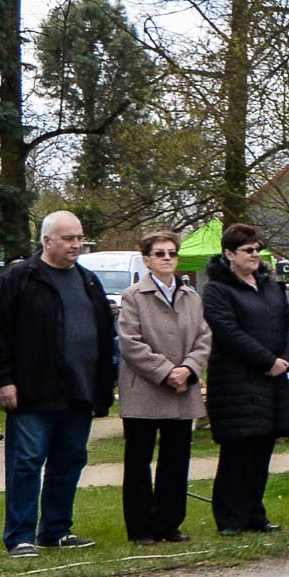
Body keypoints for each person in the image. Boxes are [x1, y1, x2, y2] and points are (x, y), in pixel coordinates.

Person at [0, 211, 115, 556]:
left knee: (68, 462)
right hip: (33, 392)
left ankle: (56, 530)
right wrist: (3, 381)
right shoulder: (20, 278)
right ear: (47, 241)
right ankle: (19, 536)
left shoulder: (89, 282)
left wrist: (103, 389)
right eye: (68, 239)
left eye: (80, 238)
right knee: (26, 464)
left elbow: (105, 338)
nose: (76, 245)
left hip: (79, 392)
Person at [201, 224, 289, 537]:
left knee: (262, 448)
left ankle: (255, 513)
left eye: (258, 249)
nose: (255, 255)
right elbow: (228, 332)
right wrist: (267, 361)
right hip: (236, 381)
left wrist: (285, 358)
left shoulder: (269, 285)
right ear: (230, 254)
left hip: (272, 380)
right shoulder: (218, 289)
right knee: (238, 451)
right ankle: (231, 517)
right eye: (248, 250)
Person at [117, 231, 212, 545]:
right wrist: (166, 371)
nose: (167, 259)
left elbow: (203, 338)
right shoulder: (133, 296)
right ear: (146, 259)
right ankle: (141, 527)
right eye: (160, 254)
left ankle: (169, 523)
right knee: (139, 461)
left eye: (172, 253)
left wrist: (188, 369)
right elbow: (130, 343)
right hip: (145, 389)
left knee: (176, 460)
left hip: (181, 390)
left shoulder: (191, 296)